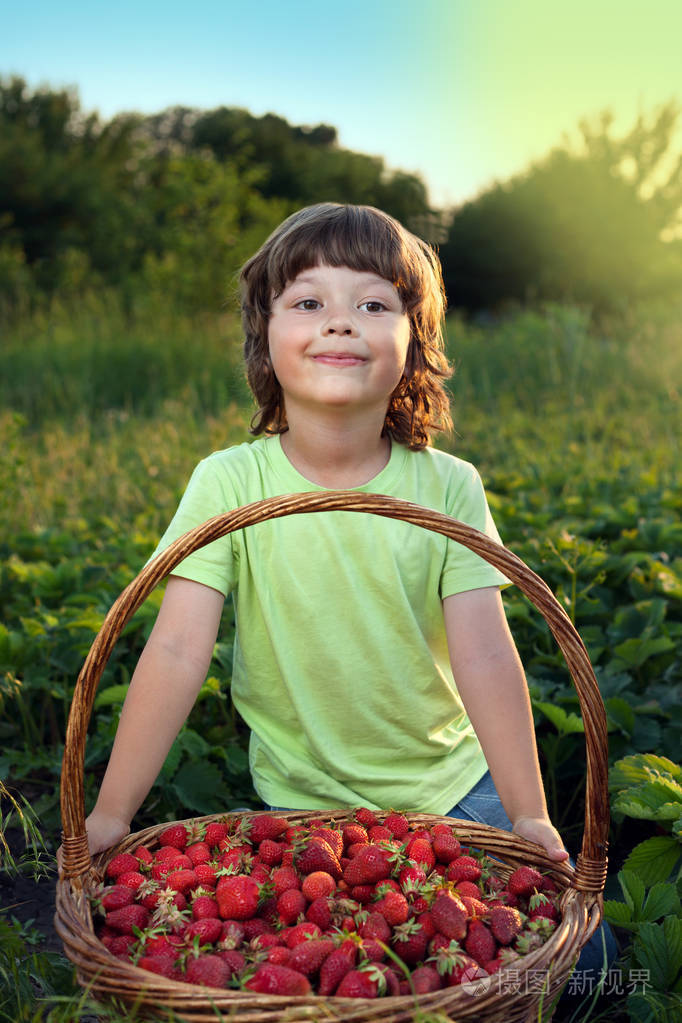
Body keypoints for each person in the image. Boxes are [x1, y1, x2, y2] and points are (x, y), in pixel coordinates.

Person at [84, 202, 569, 867]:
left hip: (453, 788)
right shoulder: (229, 482)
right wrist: (110, 812)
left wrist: (528, 811)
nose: (340, 320)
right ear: (265, 334)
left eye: (373, 306)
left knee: (580, 959)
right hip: (300, 800)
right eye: (308, 302)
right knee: (339, 964)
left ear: (415, 342)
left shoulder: (450, 486)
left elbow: (485, 655)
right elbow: (174, 648)